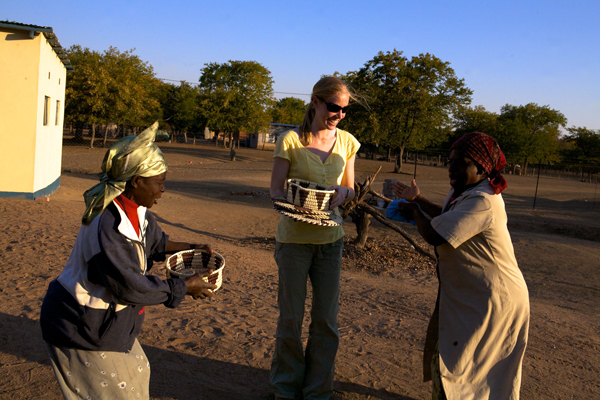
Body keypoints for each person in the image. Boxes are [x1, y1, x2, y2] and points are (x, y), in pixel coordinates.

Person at [40, 122, 217, 400]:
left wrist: (192, 249)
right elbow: (129, 286)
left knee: (139, 370)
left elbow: (155, 242)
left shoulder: (136, 211)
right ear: (136, 181)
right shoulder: (108, 225)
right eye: (159, 182)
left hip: (106, 324)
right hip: (81, 326)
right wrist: (182, 288)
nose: (162, 190)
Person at [392, 132, 529, 400]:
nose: (452, 168)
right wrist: (417, 200)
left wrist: (413, 212)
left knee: (476, 372)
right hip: (475, 295)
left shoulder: (483, 200)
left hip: (495, 299)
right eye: (450, 161)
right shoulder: (465, 192)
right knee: (461, 366)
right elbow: (448, 218)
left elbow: (437, 234)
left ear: (480, 167)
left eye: (460, 163)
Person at [269, 76, 360, 400]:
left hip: (331, 242)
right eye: (334, 107)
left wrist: (344, 191)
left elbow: (350, 186)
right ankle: (285, 388)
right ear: (316, 102)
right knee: (290, 318)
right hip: (293, 241)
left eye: (344, 110)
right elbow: (275, 190)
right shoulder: (290, 140)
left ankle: (318, 391)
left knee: (326, 321)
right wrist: (292, 202)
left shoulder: (348, 142)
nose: (339, 114)